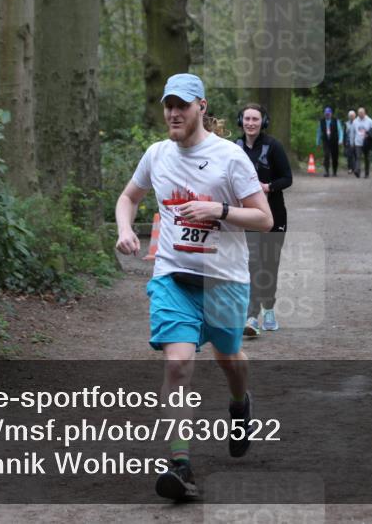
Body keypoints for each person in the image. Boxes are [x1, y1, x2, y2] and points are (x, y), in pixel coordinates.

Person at [114, 73, 273, 501]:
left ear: (201, 107)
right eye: (168, 105)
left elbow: (264, 219)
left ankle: (241, 405)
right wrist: (125, 229)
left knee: (228, 358)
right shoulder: (156, 154)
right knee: (177, 366)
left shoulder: (230, 158)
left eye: (182, 105)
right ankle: (180, 466)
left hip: (224, 280)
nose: (173, 113)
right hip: (173, 278)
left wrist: (218, 209)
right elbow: (128, 197)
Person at [236, 103, 292, 337]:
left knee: (270, 264)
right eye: (247, 119)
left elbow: (287, 178)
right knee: (253, 264)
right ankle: (251, 316)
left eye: (255, 119)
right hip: (248, 217)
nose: (250, 123)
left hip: (275, 216)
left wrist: (267, 187)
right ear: (241, 121)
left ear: (263, 122)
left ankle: (269, 309)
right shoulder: (234, 148)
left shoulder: (274, 146)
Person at [316, 107, 343, 177]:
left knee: (335, 157)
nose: (327, 115)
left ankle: (334, 171)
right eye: (326, 114)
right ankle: (327, 171)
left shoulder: (336, 120)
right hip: (326, 141)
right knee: (326, 155)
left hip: (334, 141)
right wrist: (318, 143)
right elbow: (318, 132)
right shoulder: (321, 121)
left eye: (328, 114)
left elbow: (340, 131)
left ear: (331, 114)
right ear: (324, 114)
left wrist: (340, 140)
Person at [352, 107, 372, 179]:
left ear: (365, 113)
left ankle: (366, 173)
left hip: (366, 142)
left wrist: (369, 134)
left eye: (362, 113)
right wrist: (352, 141)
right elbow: (353, 132)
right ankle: (357, 171)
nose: (360, 114)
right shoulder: (355, 121)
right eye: (359, 113)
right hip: (358, 142)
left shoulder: (369, 120)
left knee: (366, 158)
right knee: (358, 157)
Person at [344, 110, 357, 175]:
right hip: (348, 142)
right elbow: (345, 134)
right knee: (349, 156)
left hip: (356, 141)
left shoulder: (357, 123)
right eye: (350, 116)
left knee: (355, 155)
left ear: (355, 116)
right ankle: (350, 168)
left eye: (352, 116)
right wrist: (344, 142)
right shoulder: (346, 123)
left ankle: (355, 168)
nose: (351, 117)